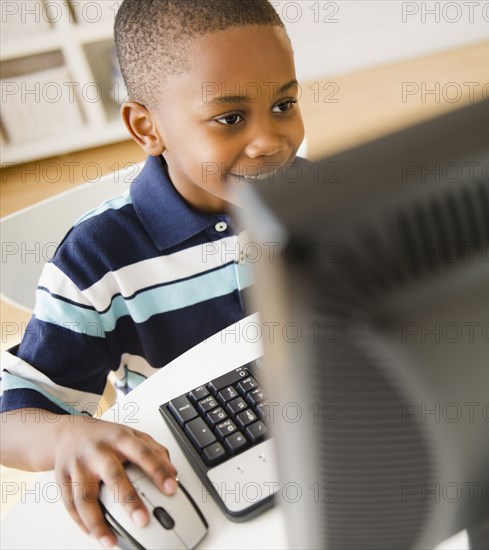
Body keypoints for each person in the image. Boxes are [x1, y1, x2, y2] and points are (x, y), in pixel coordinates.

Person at [0, 0, 305, 547]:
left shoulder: (322, 195)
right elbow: (13, 413)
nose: (269, 141)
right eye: (231, 118)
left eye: (284, 104)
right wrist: (69, 431)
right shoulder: (97, 257)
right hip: (193, 463)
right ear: (147, 128)